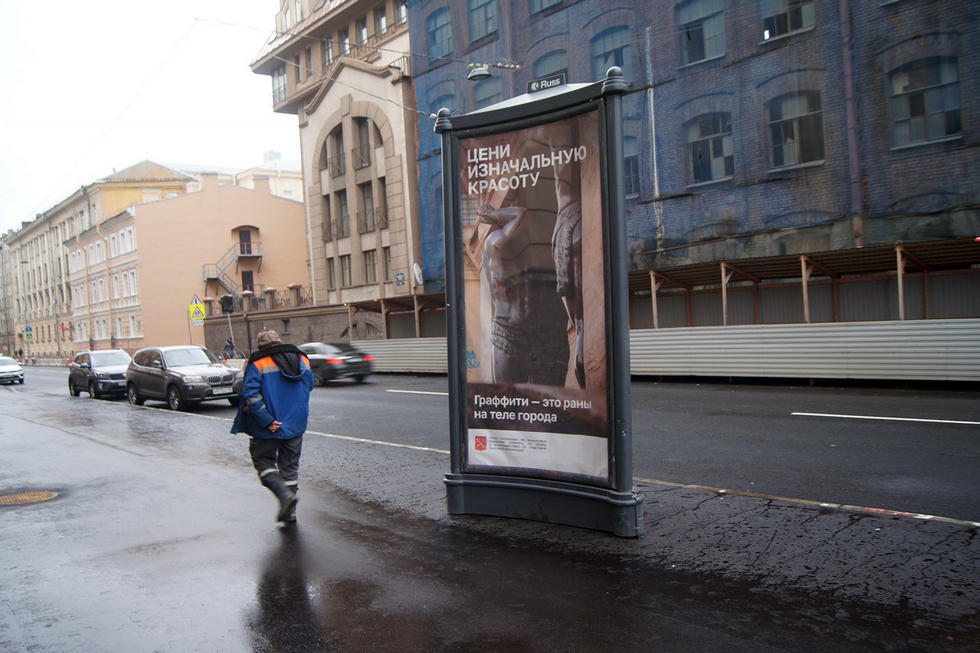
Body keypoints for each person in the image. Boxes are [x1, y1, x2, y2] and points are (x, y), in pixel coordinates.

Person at [231, 330, 314, 524]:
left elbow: (250, 394)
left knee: (263, 462)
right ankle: (291, 513)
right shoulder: (302, 359)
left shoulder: (259, 362)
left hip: (268, 426)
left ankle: (284, 495)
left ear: (261, 346)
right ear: (279, 341)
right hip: (296, 423)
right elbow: (309, 386)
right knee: (290, 468)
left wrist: (267, 420)